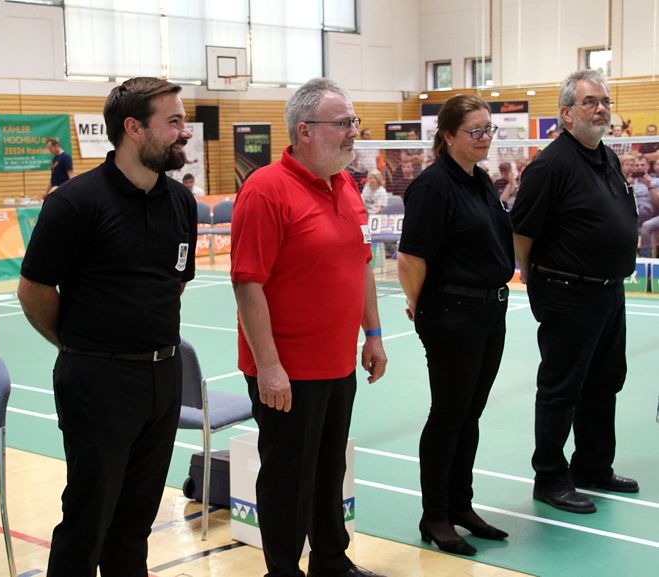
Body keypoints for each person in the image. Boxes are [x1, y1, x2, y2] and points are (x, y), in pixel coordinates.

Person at [18, 76, 197, 577]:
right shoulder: (75, 203)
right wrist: (83, 346)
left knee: (135, 521)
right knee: (88, 521)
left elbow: (173, 283)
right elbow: (34, 291)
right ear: (134, 128)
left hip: (163, 378)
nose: (185, 131)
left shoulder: (180, 203)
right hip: (98, 382)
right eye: (175, 121)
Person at [231, 78, 388, 577]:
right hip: (287, 373)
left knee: (328, 469)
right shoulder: (265, 191)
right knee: (287, 477)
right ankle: (282, 570)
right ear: (304, 130)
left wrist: (375, 335)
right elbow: (248, 284)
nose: (352, 133)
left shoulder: (346, 185)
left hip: (338, 363)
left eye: (353, 123)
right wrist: (270, 367)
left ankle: (330, 560)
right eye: (343, 124)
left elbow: (361, 263)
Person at [511, 69, 639, 515]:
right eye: (590, 102)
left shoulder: (607, 158)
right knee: (561, 388)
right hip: (568, 293)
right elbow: (521, 233)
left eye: (604, 100)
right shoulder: (550, 165)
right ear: (566, 114)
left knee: (605, 381)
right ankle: (549, 476)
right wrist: (540, 284)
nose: (600, 108)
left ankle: (593, 466)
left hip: (610, 292)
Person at [397, 95, 513, 557]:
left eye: (489, 130)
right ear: (448, 136)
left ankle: (460, 505)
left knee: (470, 414)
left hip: (489, 312)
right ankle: (436, 516)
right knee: (448, 416)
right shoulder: (432, 187)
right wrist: (419, 303)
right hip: (452, 314)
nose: (485, 138)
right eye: (476, 131)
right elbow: (411, 258)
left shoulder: (479, 181)